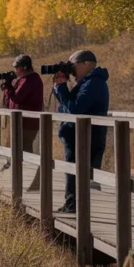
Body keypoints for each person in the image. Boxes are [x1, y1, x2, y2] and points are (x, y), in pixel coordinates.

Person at [53, 50, 110, 214]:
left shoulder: (94, 83)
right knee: (72, 170)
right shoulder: (87, 82)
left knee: (77, 172)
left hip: (86, 137)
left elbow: (75, 109)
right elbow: (68, 106)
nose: (70, 70)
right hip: (78, 135)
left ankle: (74, 206)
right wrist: (59, 87)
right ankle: (71, 204)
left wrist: (62, 87)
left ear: (86, 64)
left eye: (73, 66)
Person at [1, 54, 44, 191]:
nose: (15, 71)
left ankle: (30, 183)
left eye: (17, 68)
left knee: (25, 151)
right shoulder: (23, 79)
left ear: (24, 67)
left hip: (28, 123)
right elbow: (9, 102)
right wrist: (9, 85)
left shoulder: (31, 79)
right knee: (19, 151)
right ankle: (24, 182)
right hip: (20, 122)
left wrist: (8, 86)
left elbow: (18, 98)